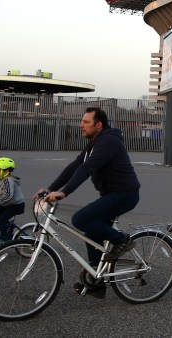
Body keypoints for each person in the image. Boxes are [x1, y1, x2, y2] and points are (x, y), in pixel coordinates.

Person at [36, 107, 140, 271]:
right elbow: (75, 166)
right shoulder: (94, 143)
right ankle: (95, 275)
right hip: (111, 194)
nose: (81, 125)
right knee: (93, 231)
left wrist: (64, 192)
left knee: (80, 219)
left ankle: (122, 240)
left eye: (86, 122)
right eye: (82, 121)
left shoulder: (109, 142)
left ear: (98, 125)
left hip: (124, 194)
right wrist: (51, 188)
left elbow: (86, 168)